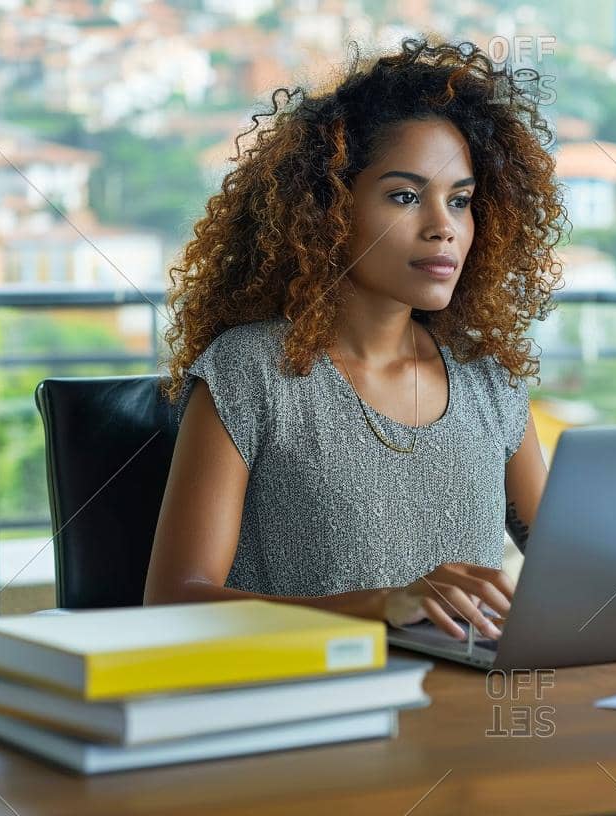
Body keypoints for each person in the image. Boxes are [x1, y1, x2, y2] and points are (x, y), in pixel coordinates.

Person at [144, 38, 566, 641]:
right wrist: (384, 606)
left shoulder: (486, 377)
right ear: (330, 208)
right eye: (405, 196)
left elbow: (570, 572)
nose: (443, 227)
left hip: (466, 707)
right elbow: (173, 602)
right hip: (317, 708)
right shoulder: (249, 371)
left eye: (461, 201)